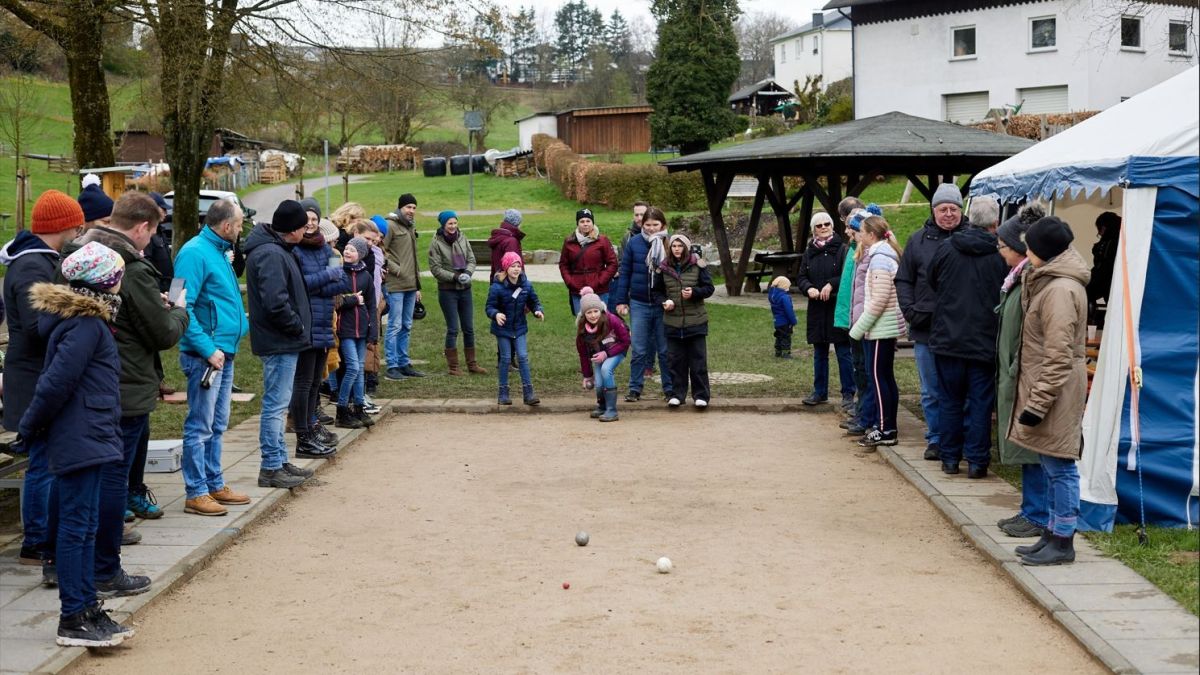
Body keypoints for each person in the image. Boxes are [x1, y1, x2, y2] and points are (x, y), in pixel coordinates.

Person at [55, 191, 188, 599]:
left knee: (95, 482)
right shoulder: (129, 266)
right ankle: (106, 568)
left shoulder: (82, 253)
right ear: (142, 226)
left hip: (96, 385)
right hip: (124, 385)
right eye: (154, 230)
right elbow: (162, 332)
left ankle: (87, 566)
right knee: (113, 479)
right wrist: (179, 311)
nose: (154, 240)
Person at [21, 242, 134, 648]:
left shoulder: (90, 321)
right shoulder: (86, 325)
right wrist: (30, 426)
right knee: (76, 528)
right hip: (80, 433)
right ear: (106, 282)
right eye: (118, 274)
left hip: (90, 430)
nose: (122, 280)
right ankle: (73, 616)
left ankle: (86, 607)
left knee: (84, 526)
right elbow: (55, 382)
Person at [1, 190, 82, 566]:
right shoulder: (33, 266)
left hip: (36, 374)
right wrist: (77, 306)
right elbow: (36, 328)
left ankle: (43, 534)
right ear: (62, 227)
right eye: (77, 225)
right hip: (33, 377)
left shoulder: (40, 260)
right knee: (44, 462)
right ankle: (35, 540)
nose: (80, 231)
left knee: (46, 460)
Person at [1008, 216, 1090, 566]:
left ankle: (1063, 539)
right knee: (1049, 461)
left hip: (1054, 392)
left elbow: (1057, 355)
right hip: (1045, 388)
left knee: (1060, 466)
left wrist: (1037, 403)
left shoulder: (1059, 290)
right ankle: (1052, 532)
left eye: (1029, 246)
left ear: (1043, 251)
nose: (1025, 251)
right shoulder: (1050, 281)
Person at [173, 198, 252, 517]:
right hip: (206, 355)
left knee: (218, 423)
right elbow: (180, 305)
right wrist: (207, 349)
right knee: (201, 424)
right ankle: (196, 491)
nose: (243, 226)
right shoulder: (193, 253)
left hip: (224, 350)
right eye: (240, 222)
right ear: (227, 226)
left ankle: (214, 482)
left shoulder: (218, 250)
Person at [927, 204, 1009, 477]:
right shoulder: (1000, 255)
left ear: (968, 217)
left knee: (950, 399)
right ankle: (977, 461)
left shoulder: (947, 248)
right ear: (995, 222)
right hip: (983, 339)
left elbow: (933, 279)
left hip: (949, 336)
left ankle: (950, 458)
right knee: (981, 402)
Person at [896, 182, 969, 461]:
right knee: (930, 390)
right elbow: (904, 279)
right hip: (926, 326)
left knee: (961, 388)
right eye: (943, 209)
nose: (948, 214)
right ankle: (937, 437)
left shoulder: (972, 238)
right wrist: (909, 309)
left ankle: (958, 438)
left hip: (962, 327)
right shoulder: (918, 241)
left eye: (953, 209)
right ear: (933, 210)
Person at [245, 200, 315, 490]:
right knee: (275, 405)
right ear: (293, 230)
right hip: (279, 341)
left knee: (279, 403)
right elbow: (275, 302)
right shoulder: (271, 254)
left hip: (283, 340)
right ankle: (271, 466)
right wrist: (296, 326)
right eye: (303, 227)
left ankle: (280, 460)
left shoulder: (277, 249)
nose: (306, 232)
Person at [994, 204, 1050, 538]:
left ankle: (1039, 514)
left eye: (1002, 246)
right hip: (1017, 374)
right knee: (1026, 447)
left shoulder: (1032, 279)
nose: (999, 252)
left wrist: (1016, 367)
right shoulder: (1018, 278)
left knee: (1035, 448)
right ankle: (1030, 509)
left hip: (1026, 376)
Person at [290, 201, 345, 459]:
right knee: (303, 382)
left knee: (315, 381)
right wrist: (327, 277)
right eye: (306, 219)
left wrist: (323, 280)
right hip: (307, 323)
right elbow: (301, 284)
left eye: (314, 219)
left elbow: (341, 280)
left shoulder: (326, 248)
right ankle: (303, 431)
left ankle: (313, 424)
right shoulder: (295, 250)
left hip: (325, 322)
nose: (310, 223)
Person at [848, 215, 907, 448]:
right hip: (883, 327)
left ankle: (884, 429)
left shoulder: (880, 259)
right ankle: (888, 426)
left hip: (880, 328)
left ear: (871, 235)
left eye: (861, 232)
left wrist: (858, 328)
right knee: (885, 378)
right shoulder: (882, 255)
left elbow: (880, 297)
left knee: (879, 378)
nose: (859, 236)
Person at [613, 206, 674, 403]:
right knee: (638, 349)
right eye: (647, 225)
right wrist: (622, 300)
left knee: (665, 350)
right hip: (639, 302)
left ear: (662, 225)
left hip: (663, 303)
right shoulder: (634, 243)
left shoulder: (670, 243)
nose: (651, 229)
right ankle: (635, 388)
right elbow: (626, 272)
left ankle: (669, 389)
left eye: (655, 225)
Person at [796, 211, 854, 407]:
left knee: (843, 352)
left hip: (836, 307)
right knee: (819, 352)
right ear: (813, 230)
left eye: (826, 223)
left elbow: (848, 275)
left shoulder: (843, 249)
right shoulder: (809, 252)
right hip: (816, 309)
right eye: (819, 225)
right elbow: (801, 277)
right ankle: (819, 392)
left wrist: (831, 284)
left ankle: (848, 394)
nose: (823, 227)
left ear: (832, 225)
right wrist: (808, 288)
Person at [652, 233, 715, 409]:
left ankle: (701, 396)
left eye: (680, 246)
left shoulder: (698, 265)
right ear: (670, 248)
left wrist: (694, 293)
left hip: (696, 322)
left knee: (698, 360)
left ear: (686, 248)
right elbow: (656, 292)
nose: (677, 249)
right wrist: (664, 302)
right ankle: (677, 395)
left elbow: (709, 288)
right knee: (675, 361)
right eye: (674, 246)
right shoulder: (663, 268)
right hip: (672, 322)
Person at [832, 198, 876, 422]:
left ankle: (867, 415)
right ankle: (863, 413)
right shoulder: (851, 251)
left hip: (864, 321)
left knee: (866, 370)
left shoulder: (871, 255)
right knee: (859, 369)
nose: (847, 231)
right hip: (854, 318)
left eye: (851, 227)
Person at [428, 210, 486, 376]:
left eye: (455, 223)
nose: (453, 226)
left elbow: (471, 259)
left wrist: (467, 273)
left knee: (469, 328)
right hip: (448, 291)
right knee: (453, 328)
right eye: (450, 224)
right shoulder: (436, 243)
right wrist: (454, 276)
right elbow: (435, 268)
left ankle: (472, 364)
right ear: (443, 225)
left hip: (465, 290)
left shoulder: (462, 237)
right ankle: (453, 367)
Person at [486, 252, 544, 406]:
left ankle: (528, 393)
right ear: (506, 268)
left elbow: (534, 301)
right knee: (505, 358)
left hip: (519, 327)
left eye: (519, 266)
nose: (516, 269)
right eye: (513, 266)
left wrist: (538, 310)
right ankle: (503, 393)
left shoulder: (526, 285)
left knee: (523, 357)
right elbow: (489, 307)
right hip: (502, 329)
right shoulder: (496, 287)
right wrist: (496, 314)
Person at [334, 237, 378, 428]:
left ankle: (358, 407)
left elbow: (371, 304)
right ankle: (342, 409)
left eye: (352, 250)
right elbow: (336, 299)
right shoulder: (338, 272)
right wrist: (351, 299)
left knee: (360, 369)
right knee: (352, 367)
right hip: (345, 329)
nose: (347, 252)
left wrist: (373, 330)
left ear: (360, 255)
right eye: (347, 248)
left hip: (362, 329)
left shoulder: (365, 276)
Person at [383, 193, 424, 380]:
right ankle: (391, 365)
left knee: (407, 325)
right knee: (394, 325)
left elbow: (414, 258)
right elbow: (380, 250)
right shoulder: (390, 225)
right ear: (400, 207)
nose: (411, 211)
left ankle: (403, 362)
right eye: (408, 207)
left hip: (410, 285)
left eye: (414, 208)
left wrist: (418, 286)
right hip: (396, 284)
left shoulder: (410, 227)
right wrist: (395, 269)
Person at [575, 286, 631, 422]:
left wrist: (607, 354)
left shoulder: (612, 320)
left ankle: (612, 410)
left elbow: (626, 341)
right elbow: (583, 355)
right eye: (589, 312)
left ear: (601, 309)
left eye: (596, 311)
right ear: (584, 314)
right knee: (599, 383)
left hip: (617, 350)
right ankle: (602, 406)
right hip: (599, 355)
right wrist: (587, 376)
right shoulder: (582, 331)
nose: (593, 315)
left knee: (606, 370)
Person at [559, 208, 618, 315]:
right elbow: (563, 264)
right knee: (582, 322)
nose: (585, 224)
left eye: (588, 221)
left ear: (592, 222)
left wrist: (600, 281)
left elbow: (612, 263)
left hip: (599, 289)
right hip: (577, 289)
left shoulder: (602, 241)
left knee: (601, 321)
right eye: (582, 221)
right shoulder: (569, 242)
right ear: (577, 223)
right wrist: (570, 281)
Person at [1086, 211, 1120, 328]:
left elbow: (1102, 268)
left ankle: (1090, 323)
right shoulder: (1124, 240)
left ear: (1104, 228)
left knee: (1084, 292)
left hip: (1105, 282)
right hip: (1115, 285)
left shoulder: (1107, 244)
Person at [488, 208, 525, 277]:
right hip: (509, 283)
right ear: (518, 223)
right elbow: (513, 266)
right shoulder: (511, 241)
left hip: (498, 279)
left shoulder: (499, 236)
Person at [767, 276, 797, 358]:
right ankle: (786, 354)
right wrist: (793, 321)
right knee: (786, 337)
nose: (788, 288)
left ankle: (778, 351)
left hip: (777, 321)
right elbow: (789, 311)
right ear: (784, 286)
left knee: (779, 336)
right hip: (785, 322)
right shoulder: (785, 297)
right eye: (788, 286)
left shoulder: (772, 295)